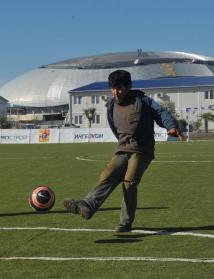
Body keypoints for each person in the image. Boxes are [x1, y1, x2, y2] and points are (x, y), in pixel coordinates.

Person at [63, 70, 183, 232]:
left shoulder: (142, 100)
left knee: (129, 183)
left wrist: (171, 126)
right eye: (112, 88)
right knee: (107, 175)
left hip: (141, 150)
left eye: (119, 88)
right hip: (123, 148)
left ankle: (125, 223)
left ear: (128, 87)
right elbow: (116, 128)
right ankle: (88, 206)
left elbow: (161, 113)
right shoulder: (111, 105)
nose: (115, 92)